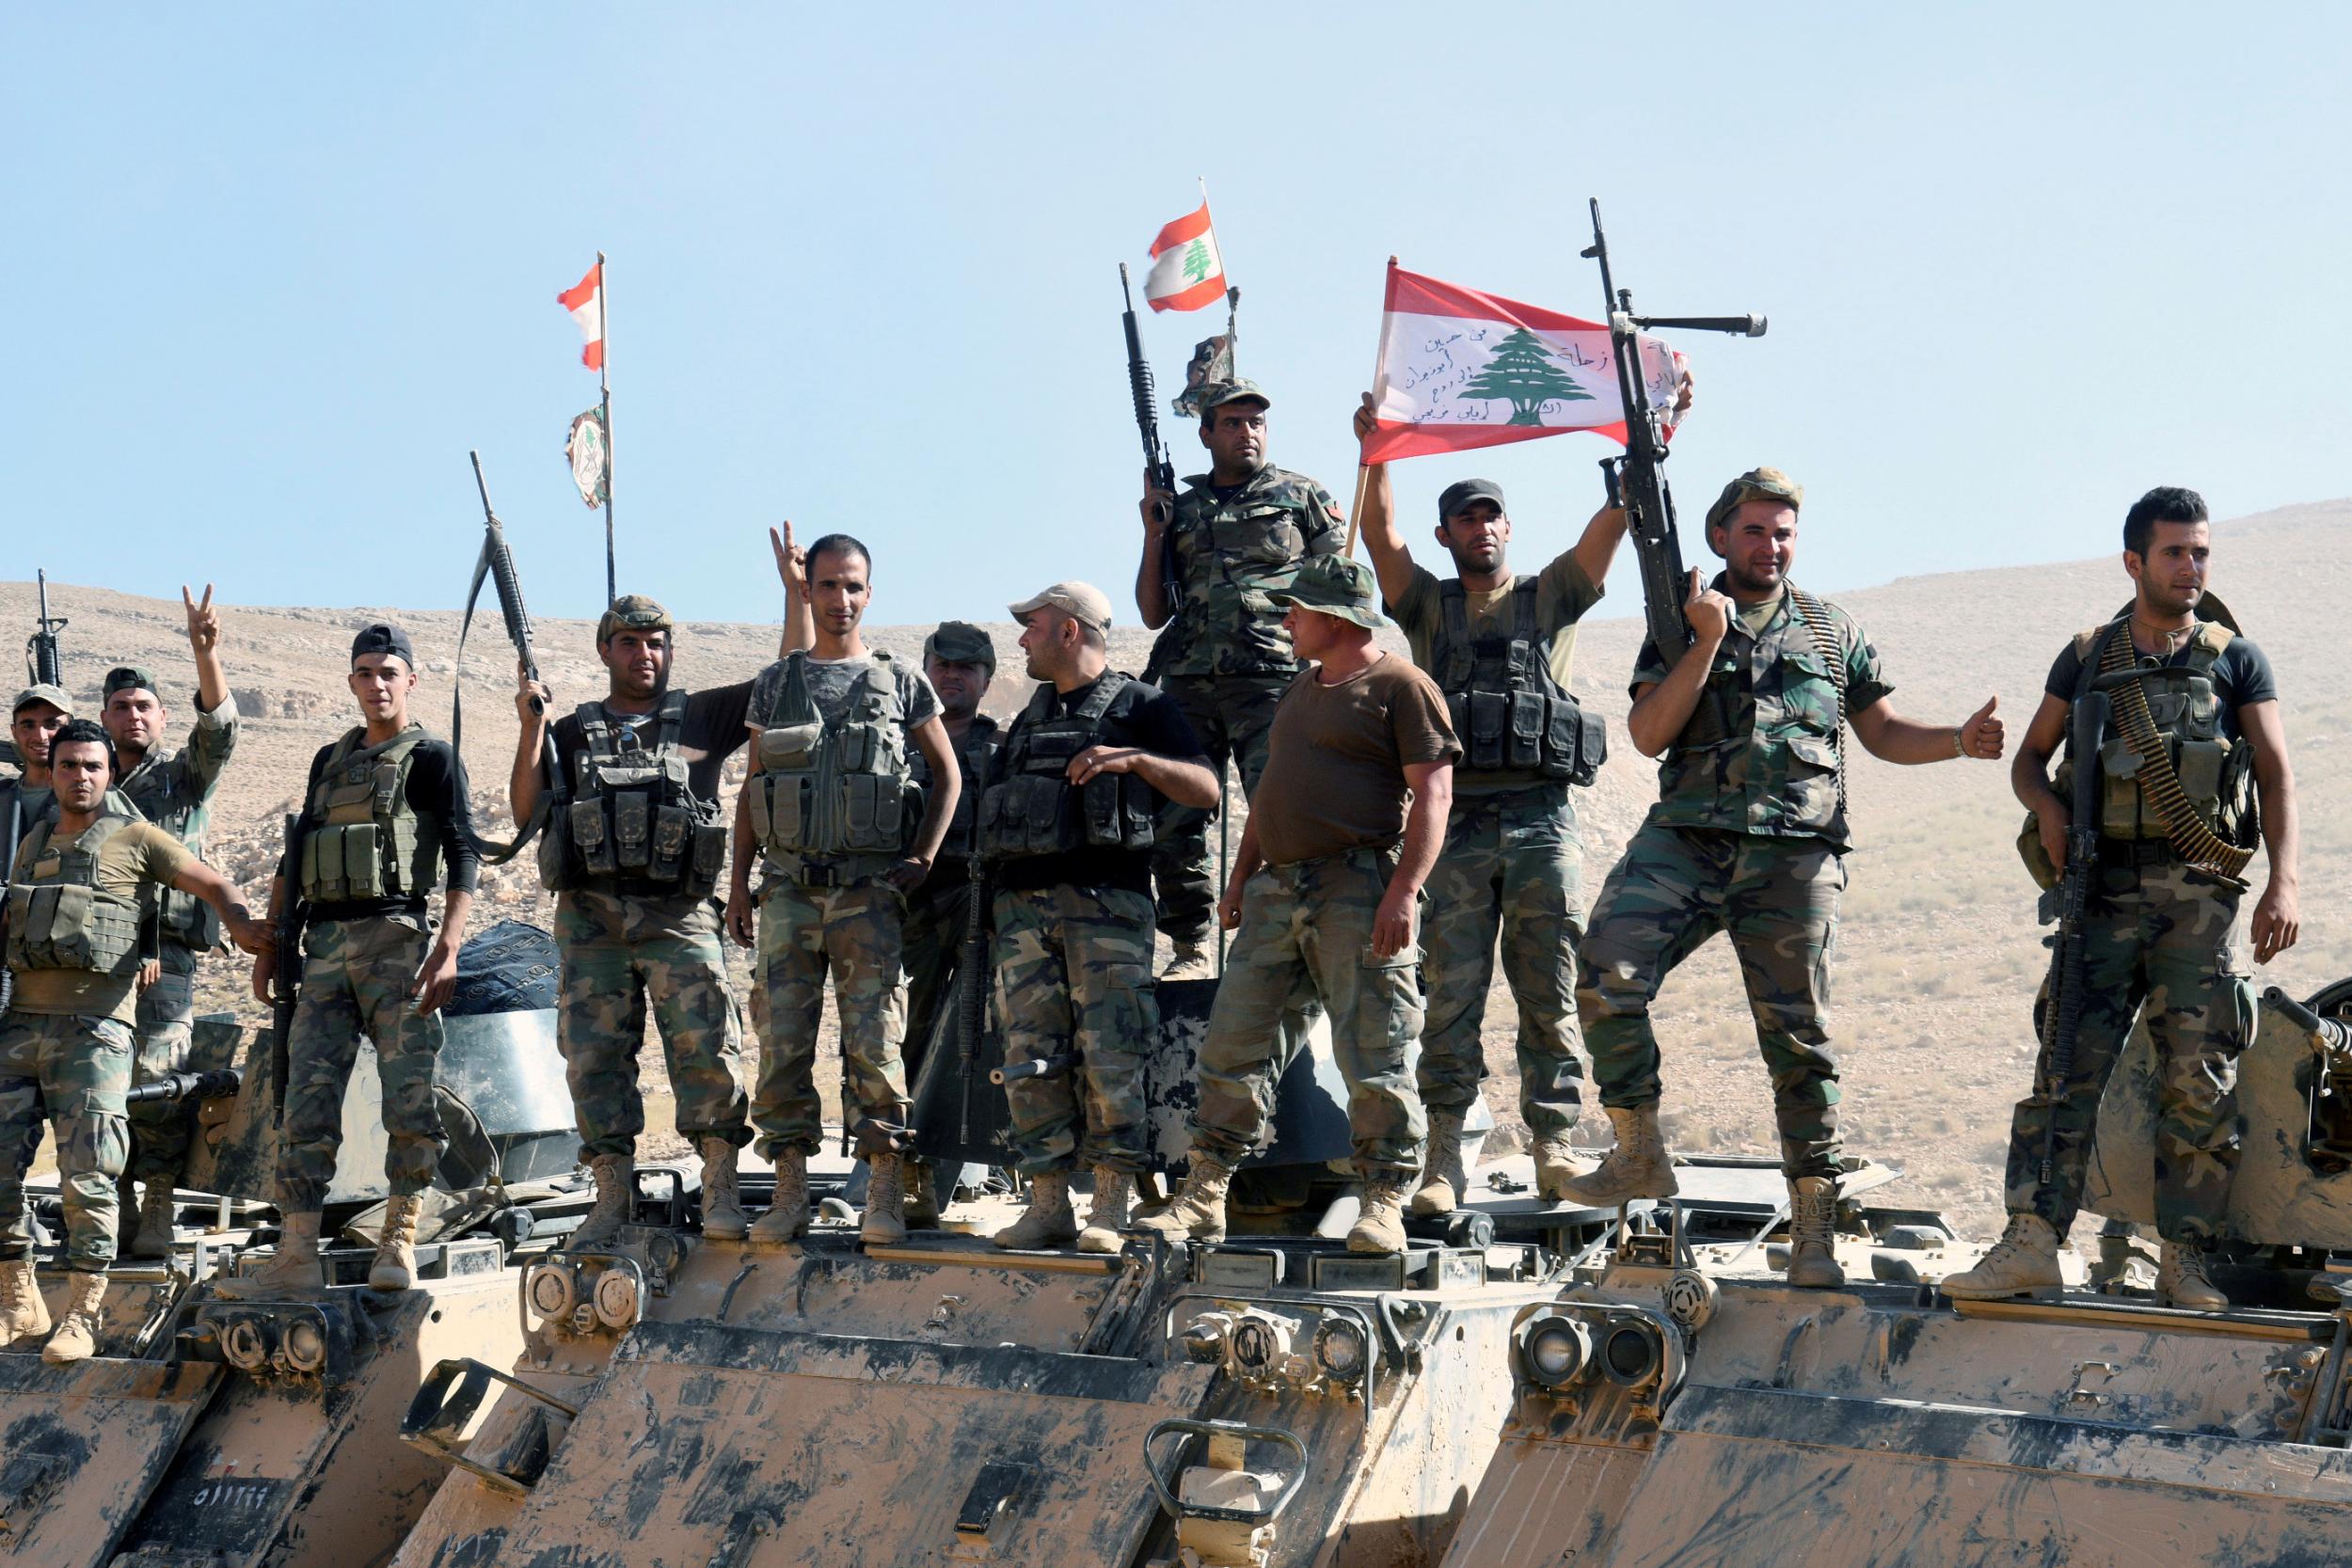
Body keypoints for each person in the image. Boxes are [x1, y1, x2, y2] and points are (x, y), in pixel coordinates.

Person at [1565, 467, 2005, 1289]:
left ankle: (1813, 1227)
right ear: (1721, 537)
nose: (1772, 545)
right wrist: (1703, 639)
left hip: (1795, 855)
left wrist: (1957, 739)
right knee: (1605, 973)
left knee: (1799, 1042)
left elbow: (1878, 728)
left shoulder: (1830, 630)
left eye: (1785, 532)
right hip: (1688, 840)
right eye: (1757, 531)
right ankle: (1638, 1153)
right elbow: (1649, 732)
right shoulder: (1682, 615)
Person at [1946, 486, 2297, 1307]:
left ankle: (2185, 1259)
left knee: (2198, 1082)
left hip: (2197, 901)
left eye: (2201, 551)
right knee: (2064, 1065)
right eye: (2175, 552)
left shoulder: (2235, 659)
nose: (2190, 566)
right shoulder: (2090, 655)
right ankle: (2032, 1239)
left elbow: (2277, 774)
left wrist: (2284, 879)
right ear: (2135, 561)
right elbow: (2030, 758)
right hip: (2099, 893)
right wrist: (2049, 806)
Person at [1136, 554, 1458, 1255]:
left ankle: (1383, 1199)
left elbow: (1434, 794)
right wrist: (1241, 875)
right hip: (1277, 891)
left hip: (1357, 886)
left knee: (1375, 1046)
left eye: (1296, 609)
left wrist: (1403, 890)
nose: (1285, 620)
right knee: (1233, 1041)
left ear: (1336, 618)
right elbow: (1270, 792)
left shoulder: (1403, 686)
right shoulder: (1298, 690)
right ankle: (1205, 1193)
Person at [1354, 394, 1626, 1211]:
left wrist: (1640, 461)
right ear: (1448, 534)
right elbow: (1379, 536)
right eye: (1466, 519)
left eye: (1492, 516)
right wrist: (1378, 450)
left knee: (1549, 983)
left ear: (1509, 527)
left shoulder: (1552, 597)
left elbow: (1606, 535)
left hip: (1542, 820)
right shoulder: (1428, 607)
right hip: (1460, 823)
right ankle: (1445, 1155)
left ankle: (1553, 1144)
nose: (1481, 528)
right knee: (1451, 990)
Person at [513, 591, 782, 1250]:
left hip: (679, 916)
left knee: (708, 1048)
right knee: (594, 1061)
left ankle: (719, 1184)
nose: (644, 654)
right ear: (605, 650)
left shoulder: (705, 716)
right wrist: (530, 728)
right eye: (629, 642)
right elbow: (524, 812)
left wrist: (792, 591)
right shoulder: (570, 729)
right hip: (592, 923)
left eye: (656, 641)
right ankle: (612, 1197)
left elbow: (784, 677)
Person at [220, 624, 480, 1299]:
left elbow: (463, 852)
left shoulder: (432, 758)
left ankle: (398, 1239)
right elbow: (295, 854)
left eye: (389, 671)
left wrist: (448, 945)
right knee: (303, 1100)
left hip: (396, 942)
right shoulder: (328, 761)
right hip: (324, 952)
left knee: (409, 1099)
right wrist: (274, 943)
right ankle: (297, 1250)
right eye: (365, 672)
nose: (378, 684)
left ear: (410, 680)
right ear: (352, 682)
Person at [0, 721, 269, 1362]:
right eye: (69, 765)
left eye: (93, 764)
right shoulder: (34, 839)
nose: (82, 775)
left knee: (90, 1170)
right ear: (55, 770)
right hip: (21, 1029)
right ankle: (18, 1295)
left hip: (94, 1030)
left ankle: (82, 1313)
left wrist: (245, 925)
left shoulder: (137, 837)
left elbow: (210, 883)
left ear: (107, 772)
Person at [729, 531, 960, 1245]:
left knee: (875, 1043)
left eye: (853, 585)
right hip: (789, 892)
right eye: (827, 585)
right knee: (783, 1043)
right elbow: (753, 789)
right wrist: (738, 886)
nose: (841, 599)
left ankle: (883, 1193)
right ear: (809, 590)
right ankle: (790, 1192)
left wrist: (921, 856)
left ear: (870, 591)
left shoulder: (901, 683)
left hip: (867, 894)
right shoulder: (777, 683)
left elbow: (948, 776)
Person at [980, 583, 1216, 1252]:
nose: (1022, 637)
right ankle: (1048, 1202)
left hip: (1106, 908)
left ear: (1070, 631)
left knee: (1114, 1051)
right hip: (1023, 911)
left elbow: (1203, 788)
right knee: (1031, 1059)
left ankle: (1109, 1205)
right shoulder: (1029, 717)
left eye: (1034, 625)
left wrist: (1136, 759)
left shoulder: (1143, 705)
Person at [1136, 380, 1345, 979]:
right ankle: (1192, 946)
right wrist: (1154, 530)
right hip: (1188, 680)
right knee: (1176, 818)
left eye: (1255, 421)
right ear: (1206, 434)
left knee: (1282, 811)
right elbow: (1153, 612)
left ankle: (1289, 937)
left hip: (1272, 679)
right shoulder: (1183, 503)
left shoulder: (1300, 494)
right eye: (1231, 422)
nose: (1246, 431)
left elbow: (1343, 584)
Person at [102, 585, 239, 1258]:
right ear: (104, 716)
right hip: (97, 960)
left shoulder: (183, 780)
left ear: (160, 718)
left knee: (156, 1076)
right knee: (99, 1081)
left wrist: (203, 652)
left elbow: (219, 730)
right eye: (122, 705)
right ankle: (114, 1200)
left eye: (145, 706)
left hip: (170, 961)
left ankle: (156, 1197)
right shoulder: (89, 783)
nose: (134, 715)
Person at [898, 620, 1003, 1219]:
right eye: (943, 666)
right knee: (903, 1036)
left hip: (979, 905)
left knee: (973, 1042)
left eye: (967, 668)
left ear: (986, 679)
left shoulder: (1005, 748)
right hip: (909, 910)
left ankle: (957, 1168)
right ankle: (893, 1170)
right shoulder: (893, 743)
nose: (954, 676)